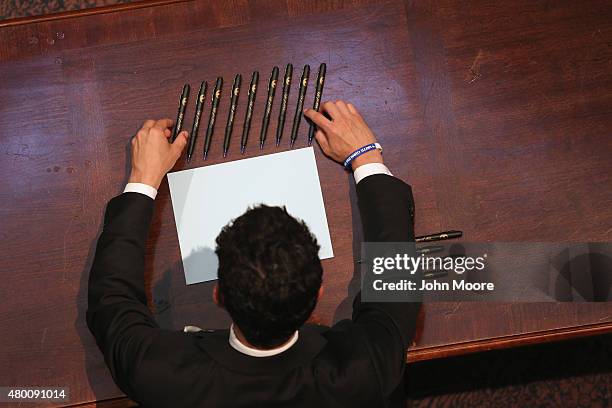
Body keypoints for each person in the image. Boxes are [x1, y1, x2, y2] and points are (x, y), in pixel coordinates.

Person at [87, 100, 420, 407]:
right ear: (317, 293)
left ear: (218, 294)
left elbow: (112, 300)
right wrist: (366, 157)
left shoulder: (157, 374)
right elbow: (398, 277)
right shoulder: (368, 367)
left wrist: (143, 179)